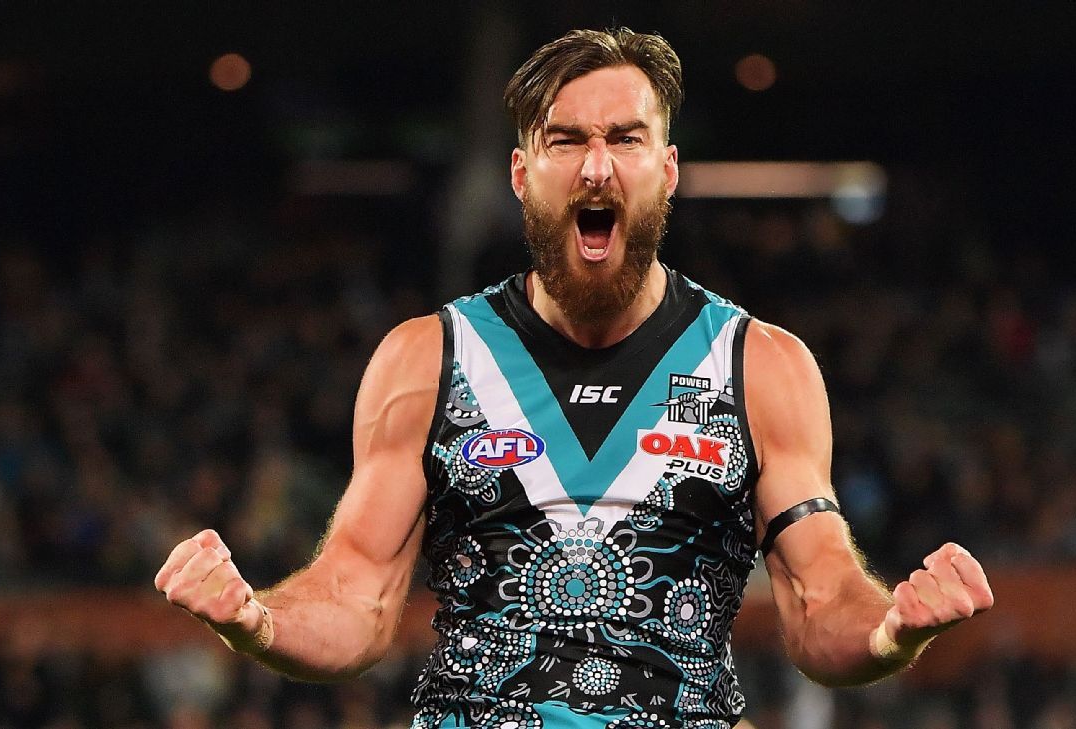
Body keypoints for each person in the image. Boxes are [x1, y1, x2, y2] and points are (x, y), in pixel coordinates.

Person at [154, 27, 994, 728]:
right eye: (567, 139)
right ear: (524, 175)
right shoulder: (428, 359)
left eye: (626, 138)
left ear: (666, 171)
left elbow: (819, 603)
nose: (597, 168)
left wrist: (891, 629)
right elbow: (357, 599)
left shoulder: (759, 364)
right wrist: (257, 621)